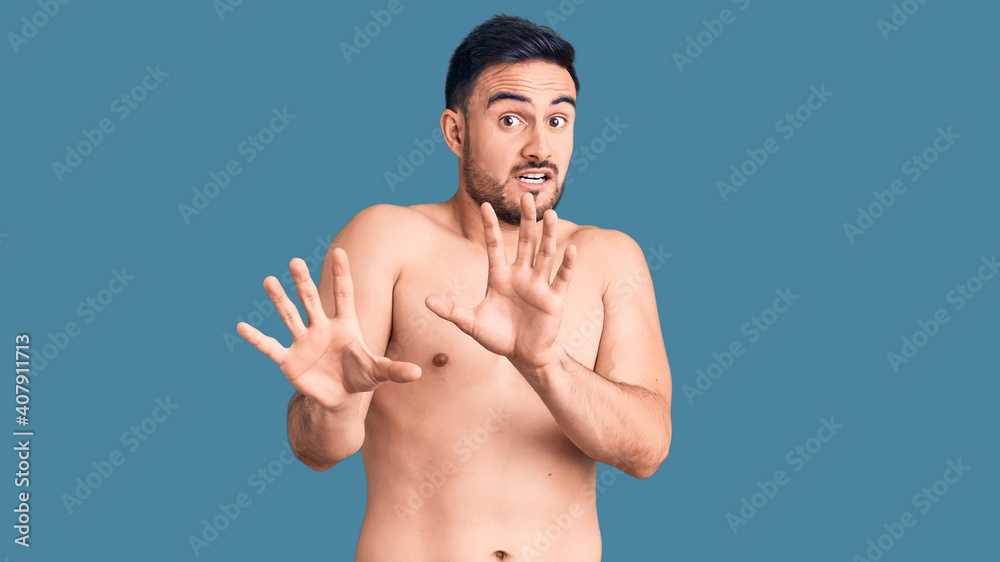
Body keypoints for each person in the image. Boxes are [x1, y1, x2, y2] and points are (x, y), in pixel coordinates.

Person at [237, 14, 672, 561]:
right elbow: (320, 450)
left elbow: (647, 451)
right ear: (456, 132)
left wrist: (543, 365)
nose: (540, 146)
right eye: (511, 119)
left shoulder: (610, 258)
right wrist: (336, 405)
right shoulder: (386, 240)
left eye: (558, 120)